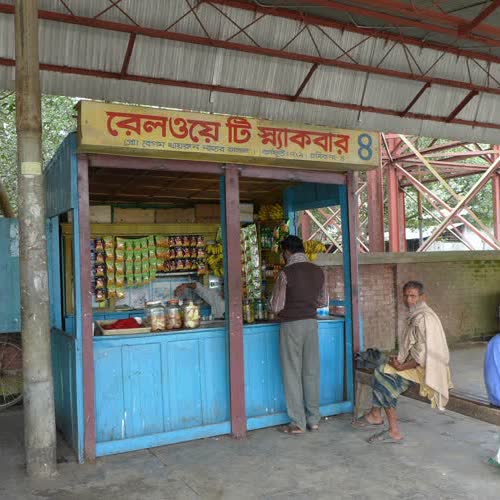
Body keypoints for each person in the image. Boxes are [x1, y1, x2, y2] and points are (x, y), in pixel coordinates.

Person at [353, 281, 452, 443]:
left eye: (413, 296)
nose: (408, 300)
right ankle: (375, 414)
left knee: (383, 376)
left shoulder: (424, 318)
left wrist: (401, 366)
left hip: (430, 371)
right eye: (406, 296)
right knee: (382, 369)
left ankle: (393, 430)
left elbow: (423, 357)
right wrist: (399, 360)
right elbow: (413, 348)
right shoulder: (418, 314)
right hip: (422, 366)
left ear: (422, 297)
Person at [270, 235, 328, 435]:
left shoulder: (286, 273)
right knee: (311, 372)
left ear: (287, 252)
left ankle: (297, 422)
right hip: (311, 324)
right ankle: (314, 420)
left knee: (292, 373)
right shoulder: (318, 271)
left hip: (291, 325)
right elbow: (322, 301)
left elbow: (276, 305)